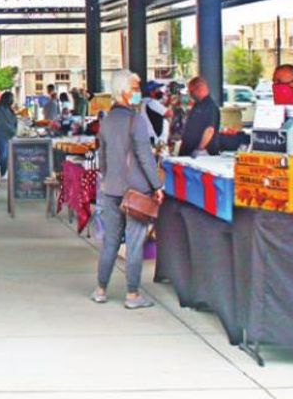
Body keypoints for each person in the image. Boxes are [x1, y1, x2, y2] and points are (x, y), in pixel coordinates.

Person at [91, 69, 164, 310]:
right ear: (123, 92)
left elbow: (101, 156)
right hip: (136, 191)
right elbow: (145, 156)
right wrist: (157, 186)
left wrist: (107, 177)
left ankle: (101, 289)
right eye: (135, 88)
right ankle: (132, 294)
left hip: (111, 189)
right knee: (134, 244)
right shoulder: (136, 120)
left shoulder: (107, 120)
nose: (138, 93)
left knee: (111, 241)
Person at [179, 77, 220, 156]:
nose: (190, 94)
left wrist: (199, 149)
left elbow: (209, 130)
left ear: (199, 89)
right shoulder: (198, 105)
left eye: (191, 91)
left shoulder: (209, 106)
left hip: (201, 153)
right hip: (188, 150)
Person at [140, 81, 171, 146]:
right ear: (151, 92)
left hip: (148, 137)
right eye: (158, 90)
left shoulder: (144, 102)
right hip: (155, 139)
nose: (160, 91)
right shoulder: (152, 102)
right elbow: (169, 113)